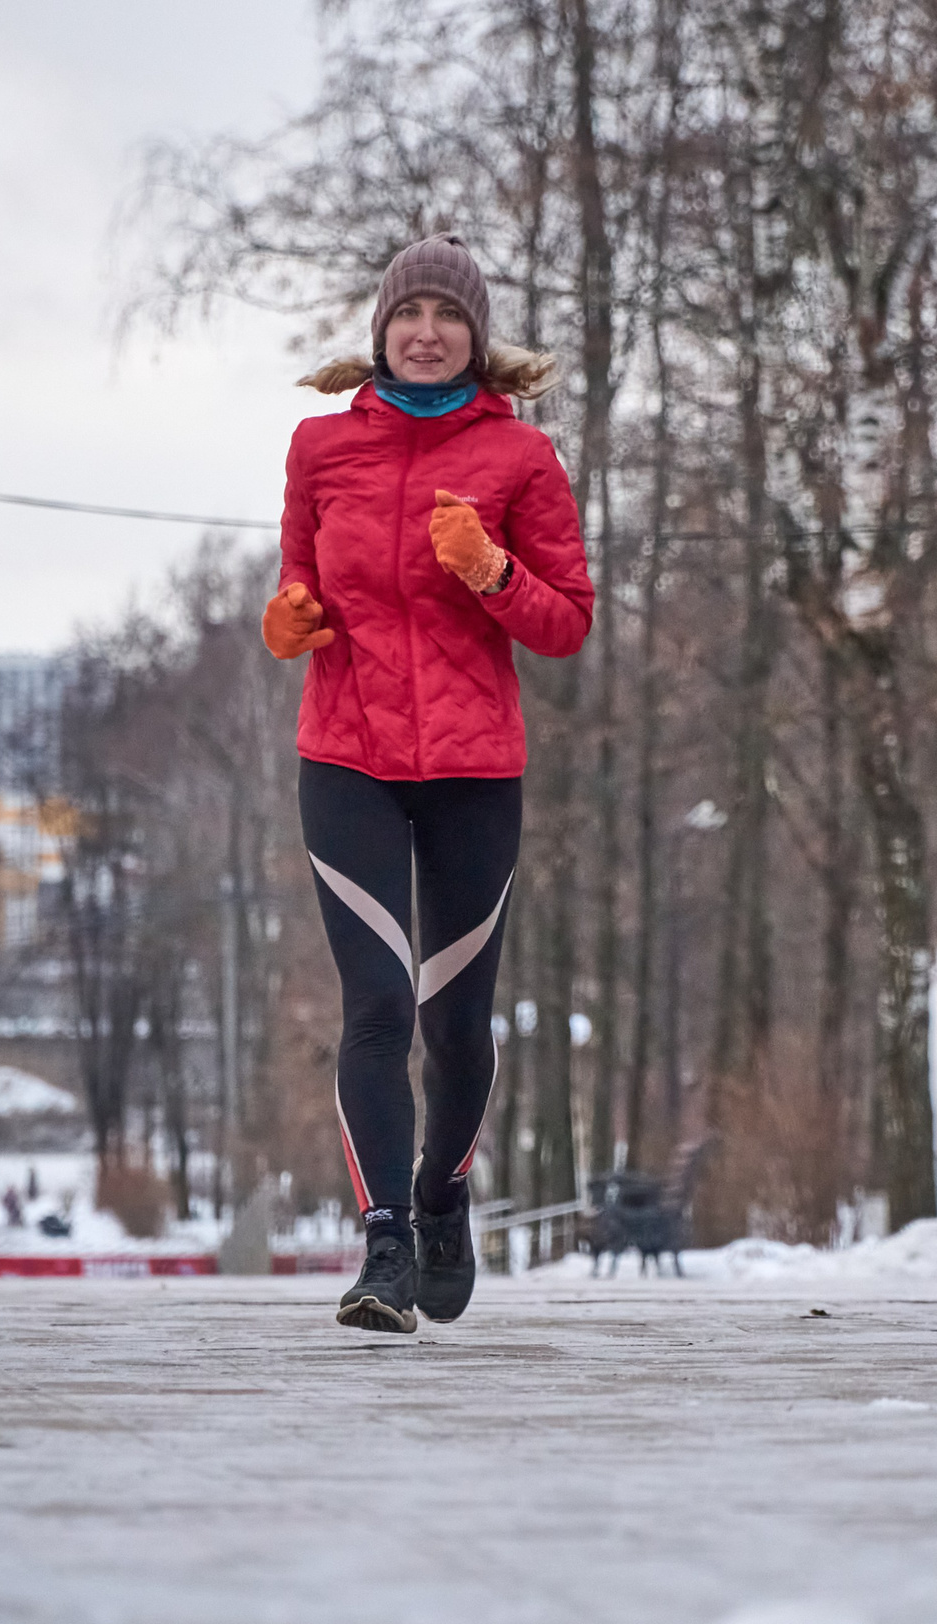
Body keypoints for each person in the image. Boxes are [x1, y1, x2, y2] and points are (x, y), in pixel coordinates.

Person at [267, 232, 592, 1332]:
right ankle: (386, 1245)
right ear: (381, 332)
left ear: (474, 337)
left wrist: (492, 572)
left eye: (447, 317)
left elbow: (566, 622)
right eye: (409, 314)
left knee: (456, 1023)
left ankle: (443, 1194)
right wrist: (291, 617)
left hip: (472, 771)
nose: (425, 331)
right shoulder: (320, 449)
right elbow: (299, 580)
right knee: (377, 1006)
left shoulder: (522, 461)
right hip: (346, 754)